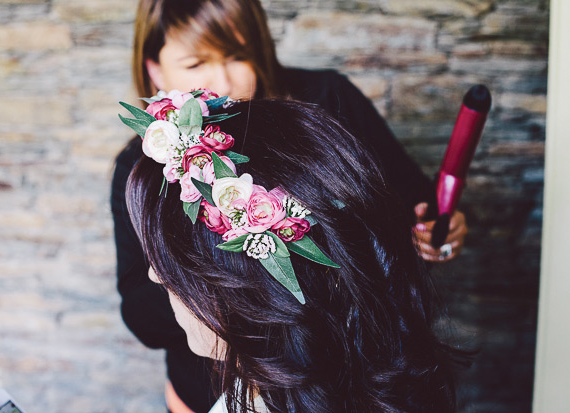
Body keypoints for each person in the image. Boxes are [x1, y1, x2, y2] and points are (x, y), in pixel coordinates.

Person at [112, 0, 467, 410]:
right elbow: (142, 315)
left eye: (238, 56)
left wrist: (434, 231)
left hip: (342, 380)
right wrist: (219, 280)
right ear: (154, 69)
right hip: (205, 390)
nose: (223, 82)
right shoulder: (145, 166)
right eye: (196, 64)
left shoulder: (325, 100)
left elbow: (408, 208)